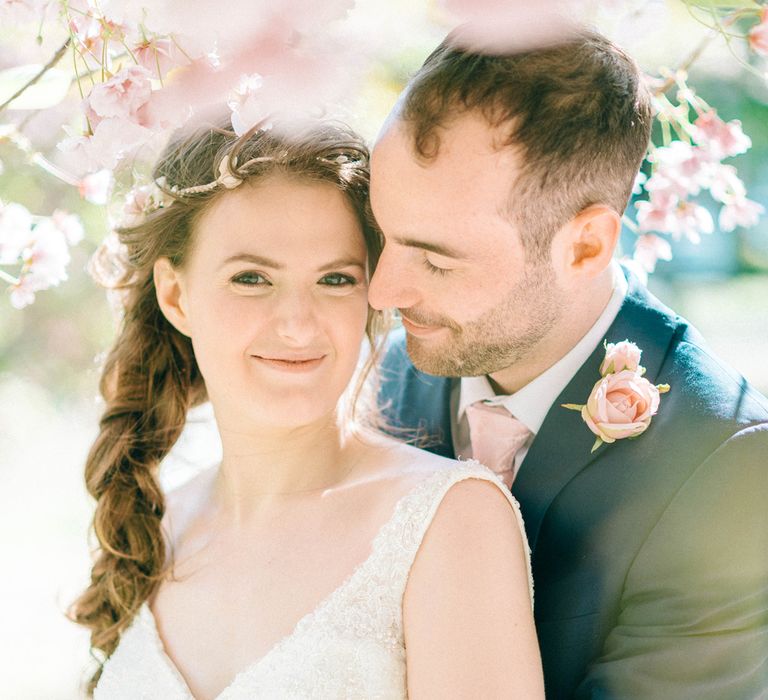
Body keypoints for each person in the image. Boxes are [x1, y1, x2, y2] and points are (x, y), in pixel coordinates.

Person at [69, 116, 544, 699]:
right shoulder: (154, 526)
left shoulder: (447, 520)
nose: (297, 326)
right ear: (176, 295)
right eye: (251, 278)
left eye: (336, 280)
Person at [370, 27, 768, 699]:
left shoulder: (727, 466)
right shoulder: (385, 375)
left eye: (436, 259)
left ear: (585, 246)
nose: (382, 292)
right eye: (380, 233)